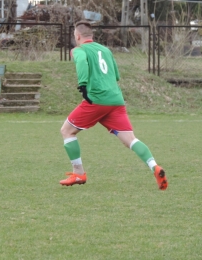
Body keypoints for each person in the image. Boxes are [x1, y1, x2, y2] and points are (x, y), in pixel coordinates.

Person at [59, 20, 168, 190]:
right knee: (130, 140)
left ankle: (78, 173)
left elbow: (81, 63)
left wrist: (82, 85)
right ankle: (154, 166)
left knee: (67, 131)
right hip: (116, 101)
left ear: (77, 36)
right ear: (92, 35)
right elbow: (116, 75)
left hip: (96, 100)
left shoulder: (78, 50)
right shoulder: (106, 50)